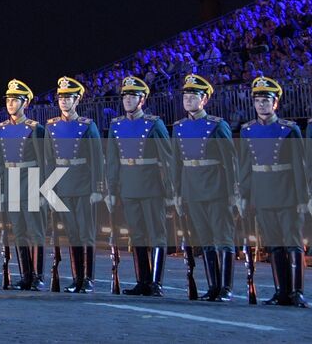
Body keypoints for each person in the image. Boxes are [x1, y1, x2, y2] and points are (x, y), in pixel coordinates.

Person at [237, 76, 309, 307]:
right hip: (263, 193)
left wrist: (302, 198)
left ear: (275, 103)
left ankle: (296, 292)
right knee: (274, 244)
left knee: (293, 243)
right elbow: (246, 167)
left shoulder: (289, 130)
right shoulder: (248, 130)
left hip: (287, 193)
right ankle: (281, 291)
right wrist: (244, 196)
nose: (262, 105)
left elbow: (300, 166)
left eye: (266, 100)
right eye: (258, 101)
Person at [104, 76, 177, 297]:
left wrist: (171, 189)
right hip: (128, 187)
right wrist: (111, 189)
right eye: (125, 96)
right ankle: (142, 281)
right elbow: (113, 160)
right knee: (137, 236)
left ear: (142, 99)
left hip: (151, 186)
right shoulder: (117, 125)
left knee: (156, 234)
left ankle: (156, 282)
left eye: (132, 96)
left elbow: (168, 158)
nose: (127, 100)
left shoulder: (154, 124)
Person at [172, 73, 238, 301]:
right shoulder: (179, 127)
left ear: (205, 100)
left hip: (216, 189)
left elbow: (230, 162)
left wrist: (233, 193)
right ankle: (212, 286)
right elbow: (177, 164)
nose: (188, 99)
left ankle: (225, 288)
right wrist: (178, 193)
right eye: (186, 96)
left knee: (223, 238)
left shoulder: (217, 125)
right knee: (205, 239)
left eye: (193, 96)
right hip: (192, 189)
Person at [44, 76, 104, 293]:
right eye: (61, 98)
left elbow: (96, 159)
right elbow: (49, 161)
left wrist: (98, 188)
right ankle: (77, 278)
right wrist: (48, 189)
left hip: (83, 186)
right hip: (63, 187)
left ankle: (88, 278)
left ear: (77, 100)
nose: (64, 101)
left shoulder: (87, 126)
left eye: (68, 98)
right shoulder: (51, 126)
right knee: (72, 234)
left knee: (86, 233)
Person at [0, 80, 46, 291]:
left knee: (36, 231)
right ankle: (25, 275)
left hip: (31, 183)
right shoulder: (1, 129)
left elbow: (44, 161)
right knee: (18, 232)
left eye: (15, 100)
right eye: (8, 99)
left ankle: (38, 276)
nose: (10, 103)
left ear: (25, 103)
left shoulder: (35, 129)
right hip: (11, 184)